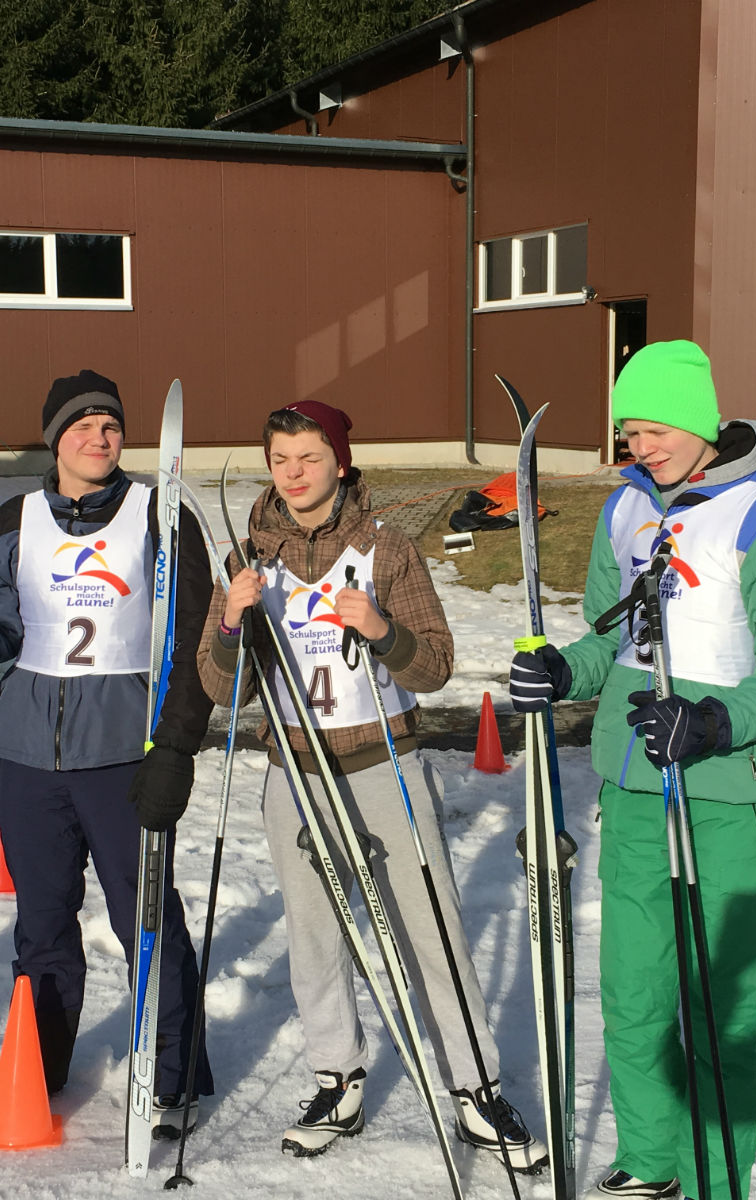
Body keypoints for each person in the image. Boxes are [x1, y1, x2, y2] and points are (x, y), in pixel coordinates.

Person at [507, 340, 756, 1200]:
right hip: (634, 783)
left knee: (719, 1006)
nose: (640, 447)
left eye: (655, 430)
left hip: (727, 788)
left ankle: (714, 1178)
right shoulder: (625, 511)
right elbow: (611, 638)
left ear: (699, 422)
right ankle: (651, 1161)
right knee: (635, 991)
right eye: (629, 432)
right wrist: (561, 671)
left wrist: (715, 720)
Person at [197, 400, 543, 1166]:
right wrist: (229, 624)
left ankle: (475, 1087)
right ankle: (338, 1080)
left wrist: (383, 631)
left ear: (340, 462)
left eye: (310, 457)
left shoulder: (386, 550)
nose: (294, 473)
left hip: (384, 765)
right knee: (316, 935)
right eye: (281, 459)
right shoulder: (247, 560)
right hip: (296, 776)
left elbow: (436, 666)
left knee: (431, 930)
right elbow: (222, 689)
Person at [0, 369, 216, 1133]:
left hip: (123, 750)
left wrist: (176, 747)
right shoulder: (12, 521)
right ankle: (35, 1065)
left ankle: (172, 1069)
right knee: (41, 922)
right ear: (54, 438)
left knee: (145, 915)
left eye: (110, 424)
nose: (98, 438)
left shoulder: (160, 516)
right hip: (29, 753)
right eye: (82, 425)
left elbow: (195, 642)